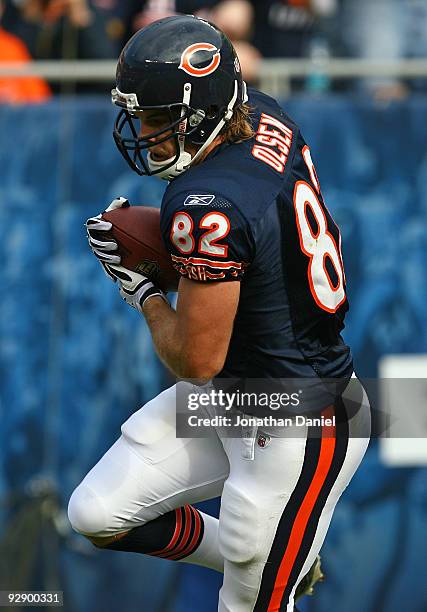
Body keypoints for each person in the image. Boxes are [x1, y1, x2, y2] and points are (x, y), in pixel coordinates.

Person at [67, 14, 370, 611]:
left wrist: (142, 290)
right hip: (243, 387)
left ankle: (274, 563)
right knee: (97, 513)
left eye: (158, 117)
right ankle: (283, 558)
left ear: (200, 110)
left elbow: (197, 359)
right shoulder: (260, 113)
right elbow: (254, 247)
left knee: (249, 606)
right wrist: (182, 260)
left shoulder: (207, 204)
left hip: (296, 416)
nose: (146, 131)